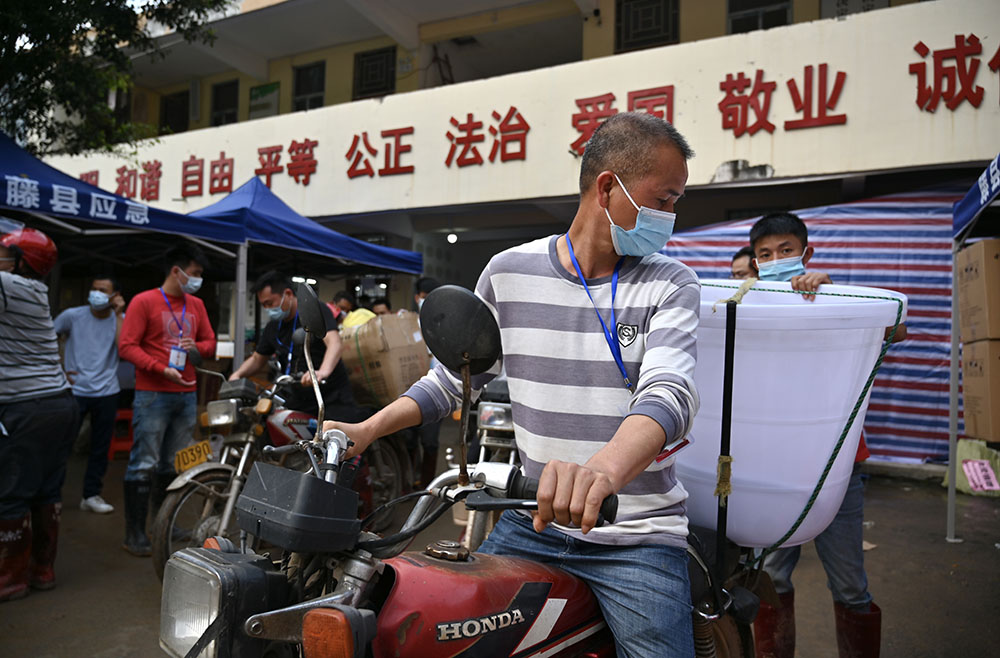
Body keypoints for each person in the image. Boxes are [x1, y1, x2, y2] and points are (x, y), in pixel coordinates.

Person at [326, 112, 699, 658]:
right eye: (664, 200)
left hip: (636, 537)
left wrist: (601, 473)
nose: (670, 217)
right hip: (534, 524)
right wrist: (365, 429)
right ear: (607, 187)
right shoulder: (507, 272)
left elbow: (669, 394)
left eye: (675, 203)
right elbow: (456, 380)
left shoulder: (670, 282)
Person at [749, 212, 903, 658]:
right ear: (755, 263)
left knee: (850, 584)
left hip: (840, 466)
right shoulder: (754, 307)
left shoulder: (832, 298)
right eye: (765, 254)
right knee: (772, 579)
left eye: (785, 251)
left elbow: (897, 328)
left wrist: (834, 294)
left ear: (807, 254)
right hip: (775, 470)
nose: (775, 260)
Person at [118, 243, 216, 557]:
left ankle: (164, 524)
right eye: (196, 273)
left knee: (172, 463)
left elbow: (211, 343)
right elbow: (127, 346)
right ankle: (134, 532)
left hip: (186, 394)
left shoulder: (196, 305)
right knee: (143, 462)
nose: (198, 279)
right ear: (177, 271)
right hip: (153, 393)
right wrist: (159, 368)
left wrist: (196, 346)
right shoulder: (144, 302)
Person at [0, 224, 79, 602]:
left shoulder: (7, 286)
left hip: (25, 406)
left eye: (7, 254)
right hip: (59, 404)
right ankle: (41, 570)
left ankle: (10, 577)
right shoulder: (35, 290)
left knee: (12, 492)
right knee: (47, 490)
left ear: (20, 262)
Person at [229, 271, 361, 421]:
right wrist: (237, 375)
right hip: (298, 397)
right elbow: (258, 358)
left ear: (288, 294)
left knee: (335, 438)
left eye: (270, 303)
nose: (268, 309)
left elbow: (334, 343)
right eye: (263, 305)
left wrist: (322, 372)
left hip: (330, 396)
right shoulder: (273, 327)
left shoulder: (315, 311)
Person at [53, 275, 126, 515]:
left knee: (100, 448)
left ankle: (91, 495)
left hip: (107, 391)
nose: (96, 294)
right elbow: (47, 338)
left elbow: (123, 349)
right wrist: (58, 370)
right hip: (75, 390)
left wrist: (117, 315)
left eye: (103, 290)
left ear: (115, 295)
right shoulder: (73, 315)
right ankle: (52, 496)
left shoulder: (120, 320)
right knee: (61, 445)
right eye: (94, 289)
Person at [411, 276, 443, 486]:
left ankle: (427, 485)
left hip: (437, 389)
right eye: (425, 297)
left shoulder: (444, 322)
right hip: (410, 388)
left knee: (430, 441)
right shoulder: (407, 324)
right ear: (417, 298)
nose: (428, 301)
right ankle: (410, 480)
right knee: (410, 439)